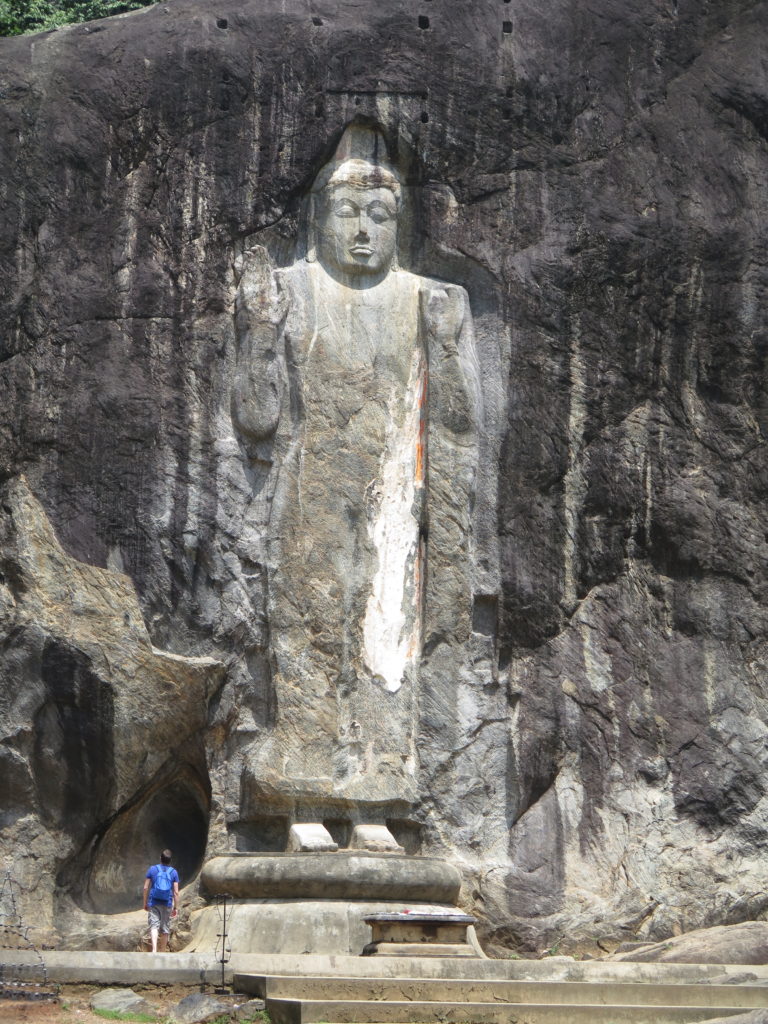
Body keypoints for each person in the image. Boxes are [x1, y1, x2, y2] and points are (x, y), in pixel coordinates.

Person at [142, 849, 179, 953]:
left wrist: (145, 903)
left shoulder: (152, 869)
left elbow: (145, 888)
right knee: (165, 928)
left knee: (154, 925)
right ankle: (162, 951)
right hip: (167, 902)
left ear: (160, 858)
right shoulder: (173, 872)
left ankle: (154, 950)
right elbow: (176, 892)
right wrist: (176, 907)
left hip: (154, 901)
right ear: (170, 860)